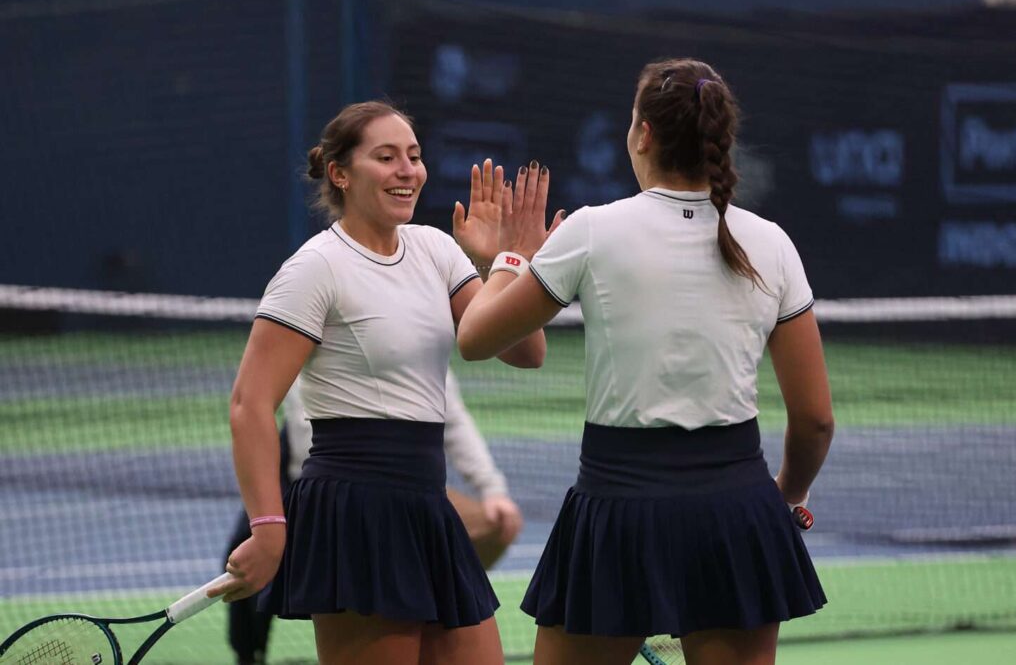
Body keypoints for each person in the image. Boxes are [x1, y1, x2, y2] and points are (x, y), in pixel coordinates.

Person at [455, 58, 834, 665]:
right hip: (737, 515)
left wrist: (508, 258)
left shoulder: (590, 231)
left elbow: (475, 339)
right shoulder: (773, 242)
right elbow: (815, 420)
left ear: (642, 135)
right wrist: (784, 499)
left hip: (616, 516)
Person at [210, 100, 546, 665]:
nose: (407, 170)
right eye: (386, 157)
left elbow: (524, 351)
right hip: (355, 512)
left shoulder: (438, 250)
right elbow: (250, 404)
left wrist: (504, 263)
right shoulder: (314, 268)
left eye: (413, 157)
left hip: (427, 505)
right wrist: (269, 528)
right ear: (340, 173)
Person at [222, 372, 524, 665]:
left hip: (414, 489)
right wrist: (307, 512)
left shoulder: (428, 341)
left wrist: (492, 489)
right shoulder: (319, 342)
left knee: (495, 526)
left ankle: (423, 602)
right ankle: (249, 654)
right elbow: (278, 420)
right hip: (319, 482)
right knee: (245, 556)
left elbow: (457, 419)